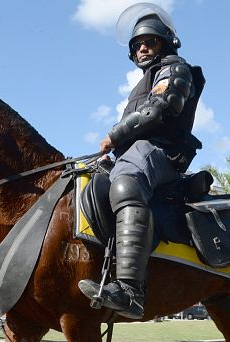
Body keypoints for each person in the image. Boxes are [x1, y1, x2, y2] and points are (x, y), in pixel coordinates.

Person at [78, 4, 204, 319]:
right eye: (137, 45)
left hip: (161, 151)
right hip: (135, 152)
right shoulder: (142, 81)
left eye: (150, 42)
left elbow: (160, 109)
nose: (143, 48)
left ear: (167, 43)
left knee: (127, 182)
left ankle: (130, 290)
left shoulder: (175, 68)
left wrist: (114, 135)